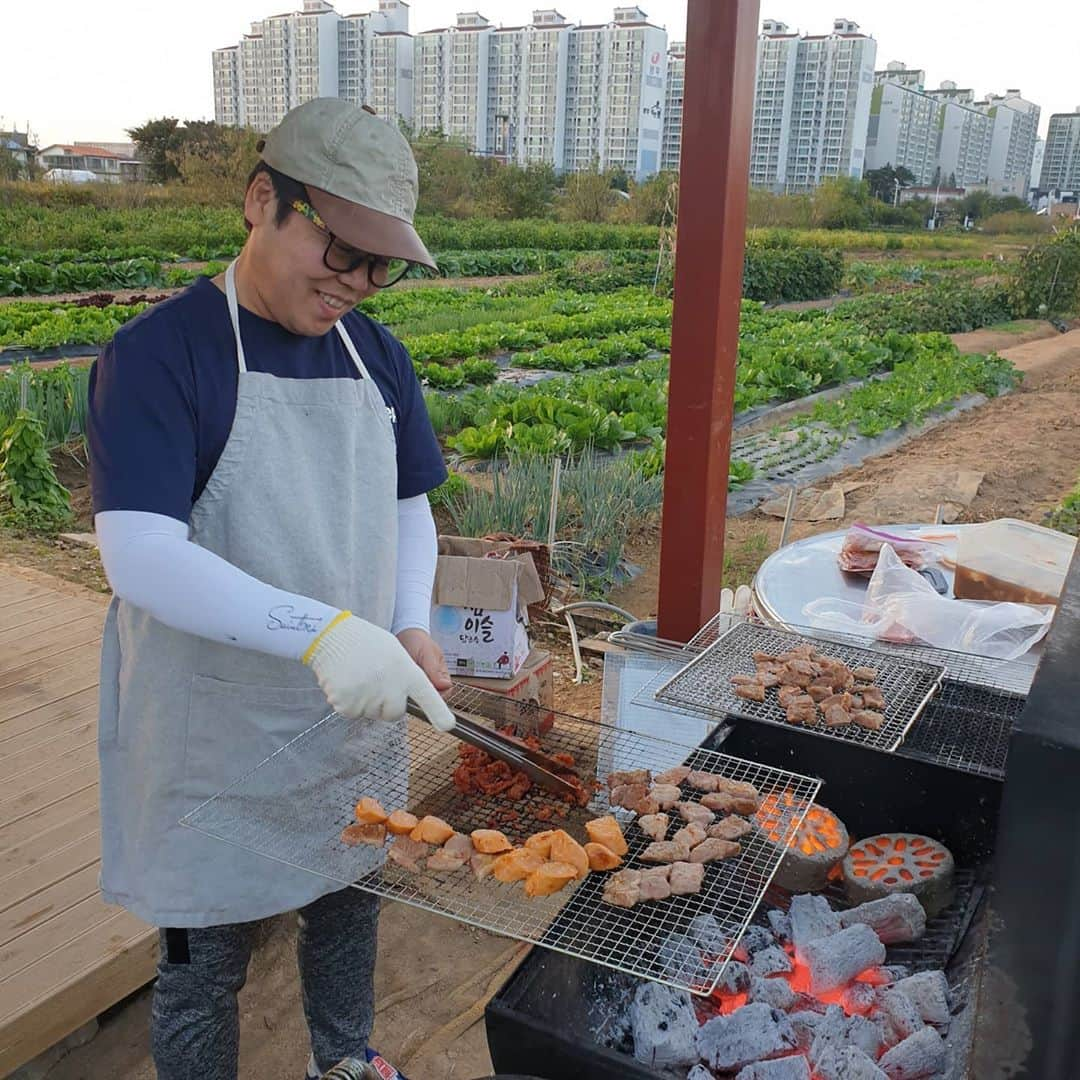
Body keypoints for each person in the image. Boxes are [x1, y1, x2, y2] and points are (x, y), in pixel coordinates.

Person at [87, 98, 456, 1080]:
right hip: (208, 743)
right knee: (200, 963)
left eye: (381, 267)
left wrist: (408, 624)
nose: (357, 286)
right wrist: (326, 631)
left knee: (345, 918)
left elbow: (410, 501)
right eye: (342, 252)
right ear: (264, 202)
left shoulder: (375, 356)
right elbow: (140, 554)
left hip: (347, 724)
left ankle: (343, 1064)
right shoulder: (163, 357)